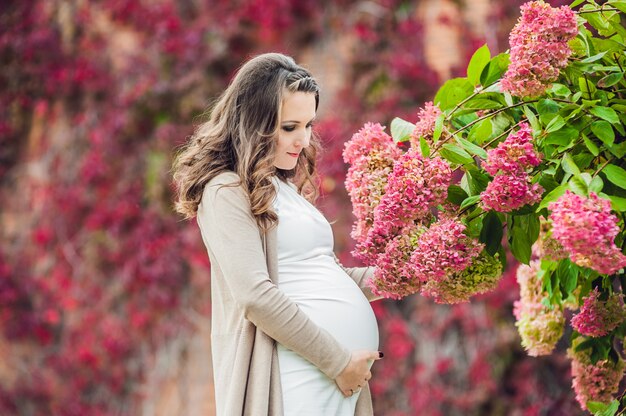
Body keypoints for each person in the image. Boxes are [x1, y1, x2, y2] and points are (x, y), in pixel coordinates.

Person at [172, 52, 382, 416]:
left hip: (330, 374)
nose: (303, 139)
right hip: (295, 374)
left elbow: (325, 277)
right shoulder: (225, 191)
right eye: (289, 127)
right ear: (254, 123)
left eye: (309, 125)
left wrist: (401, 275)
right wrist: (337, 362)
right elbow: (255, 296)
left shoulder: (279, 188)